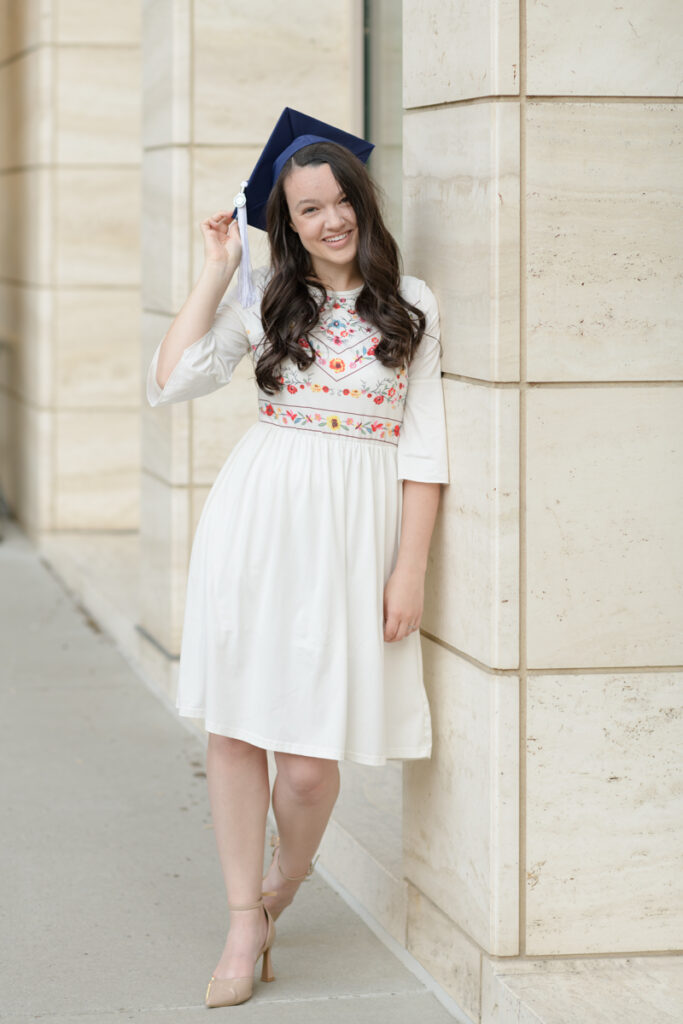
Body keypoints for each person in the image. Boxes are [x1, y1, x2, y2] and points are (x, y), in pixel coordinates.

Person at [145, 108, 449, 1009]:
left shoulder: (415, 305)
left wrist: (410, 569)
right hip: (258, 521)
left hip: (354, 538)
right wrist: (216, 273)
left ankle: (284, 886)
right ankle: (244, 921)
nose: (329, 220)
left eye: (339, 200)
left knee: (311, 764)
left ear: (362, 201)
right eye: (307, 209)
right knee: (238, 727)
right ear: (288, 223)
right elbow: (168, 381)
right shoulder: (267, 300)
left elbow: (425, 451)